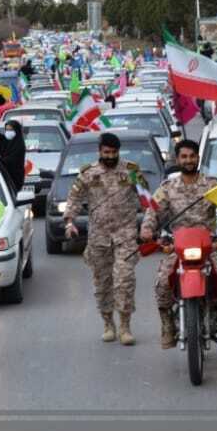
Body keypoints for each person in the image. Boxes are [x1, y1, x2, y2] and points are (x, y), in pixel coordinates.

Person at [140, 140, 217, 349]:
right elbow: (153, 210)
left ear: (198, 158)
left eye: (192, 156)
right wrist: (147, 229)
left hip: (209, 245)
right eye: (184, 157)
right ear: (177, 159)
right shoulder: (168, 187)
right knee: (163, 282)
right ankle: (167, 325)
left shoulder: (212, 185)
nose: (188, 160)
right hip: (178, 246)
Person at [64, 132, 146, 345]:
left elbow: (146, 197)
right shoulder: (88, 174)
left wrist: (151, 222)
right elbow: (74, 197)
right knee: (102, 284)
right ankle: (108, 323)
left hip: (125, 235)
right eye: (106, 152)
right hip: (98, 238)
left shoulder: (131, 171)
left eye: (114, 153)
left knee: (124, 281)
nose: (110, 156)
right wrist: (70, 221)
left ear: (119, 152)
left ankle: (125, 327)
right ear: (100, 151)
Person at [0, 119, 26, 191]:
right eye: (7, 130)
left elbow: (11, 159)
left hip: (14, 179)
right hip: (2, 177)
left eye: (11, 130)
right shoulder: (4, 141)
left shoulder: (20, 145)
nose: (8, 132)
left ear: (16, 131)